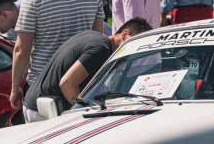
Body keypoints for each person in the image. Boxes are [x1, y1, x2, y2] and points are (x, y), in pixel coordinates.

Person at [12, 0, 105, 120]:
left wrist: (15, 88)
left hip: (42, 92)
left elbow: (22, 50)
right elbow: (100, 41)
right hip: (82, 90)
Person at [24, 17, 152, 119]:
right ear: (125, 34)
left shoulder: (97, 39)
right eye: (134, 43)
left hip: (40, 104)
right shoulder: (101, 49)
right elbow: (67, 83)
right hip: (44, 110)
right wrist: (84, 110)